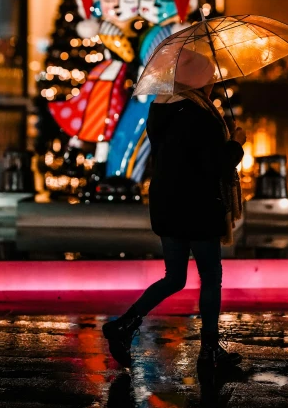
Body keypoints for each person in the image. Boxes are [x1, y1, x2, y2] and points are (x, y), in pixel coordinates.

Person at [103, 48, 247, 368]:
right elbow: (216, 166)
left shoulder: (160, 109)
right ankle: (209, 351)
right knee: (210, 277)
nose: (212, 86)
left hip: (167, 203)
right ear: (199, 83)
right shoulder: (201, 116)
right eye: (209, 80)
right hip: (197, 206)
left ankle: (124, 324)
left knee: (175, 277)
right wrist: (236, 143)